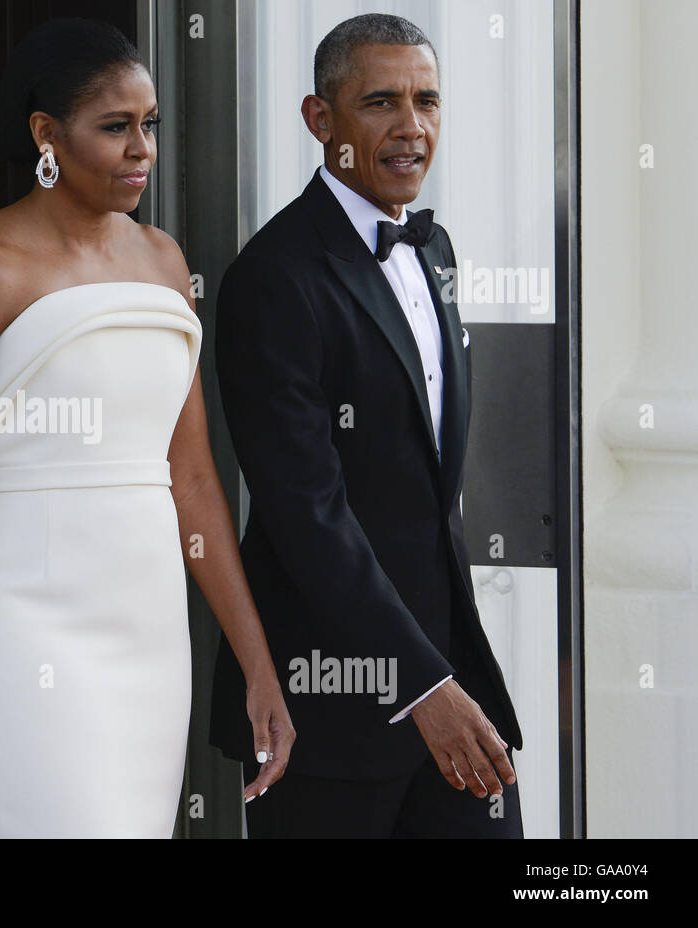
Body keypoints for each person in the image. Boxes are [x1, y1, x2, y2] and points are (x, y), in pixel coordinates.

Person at [0, 18, 294, 838]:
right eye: (115, 127)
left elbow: (191, 481)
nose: (142, 150)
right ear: (46, 135)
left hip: (147, 636)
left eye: (149, 124)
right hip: (13, 626)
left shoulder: (163, 262)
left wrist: (255, 662)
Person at [209, 13, 524, 837]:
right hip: (325, 708)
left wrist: (448, 675)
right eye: (381, 102)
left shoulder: (437, 248)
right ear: (321, 120)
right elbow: (306, 513)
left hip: (455, 680)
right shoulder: (271, 279)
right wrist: (420, 686)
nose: (411, 127)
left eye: (427, 101)